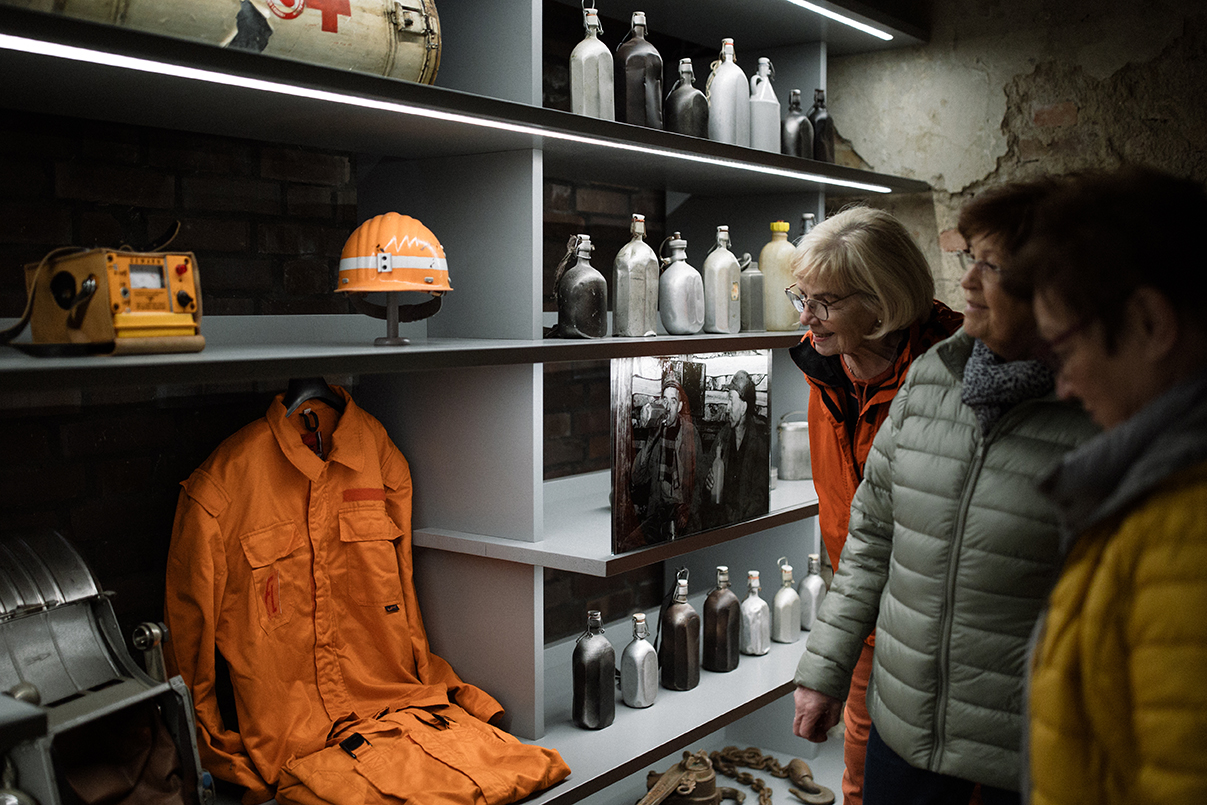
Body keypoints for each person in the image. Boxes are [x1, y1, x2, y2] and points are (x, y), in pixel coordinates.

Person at [792, 181, 1098, 805]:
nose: (965, 284)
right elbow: (870, 537)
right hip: (899, 693)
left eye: (990, 265)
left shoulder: (1098, 409)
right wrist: (828, 664)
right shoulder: (928, 380)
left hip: (1017, 732)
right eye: (969, 260)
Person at [1015, 167, 1207, 804]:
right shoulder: (1155, 502)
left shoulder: (1185, 539)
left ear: (1150, 323)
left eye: (1064, 352)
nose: (1063, 386)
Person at [785, 205, 962, 805]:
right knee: (861, 779)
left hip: (943, 636)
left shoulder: (956, 376)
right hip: (865, 627)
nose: (806, 319)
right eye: (800, 297)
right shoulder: (825, 369)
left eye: (824, 302)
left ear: (882, 303)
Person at [629, 376, 703, 544]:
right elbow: (637, 478)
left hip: (682, 509)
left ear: (680, 407)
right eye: (665, 400)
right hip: (658, 509)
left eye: (673, 401)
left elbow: (698, 479)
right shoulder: (656, 432)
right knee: (632, 543)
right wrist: (650, 440)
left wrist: (688, 510)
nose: (668, 407)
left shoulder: (690, 433)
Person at [702, 369, 770, 528]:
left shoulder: (760, 441)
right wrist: (707, 480)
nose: (727, 408)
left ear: (744, 406)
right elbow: (705, 471)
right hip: (721, 524)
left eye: (731, 401)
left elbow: (760, 498)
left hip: (749, 527)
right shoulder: (723, 436)